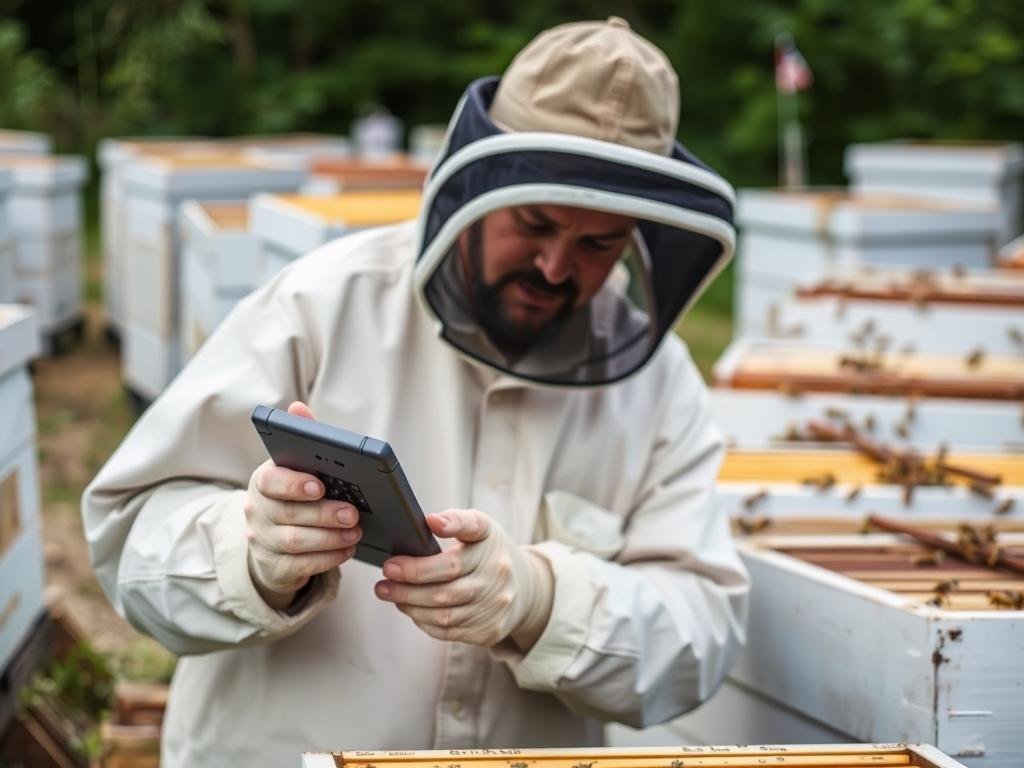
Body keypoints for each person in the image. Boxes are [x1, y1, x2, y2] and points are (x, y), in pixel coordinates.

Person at [83, 16, 749, 767]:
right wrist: (250, 550)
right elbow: (130, 534)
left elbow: (702, 631)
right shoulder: (320, 305)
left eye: (598, 243)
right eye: (534, 223)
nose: (557, 268)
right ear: (475, 186)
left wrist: (540, 598)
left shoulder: (660, 389)